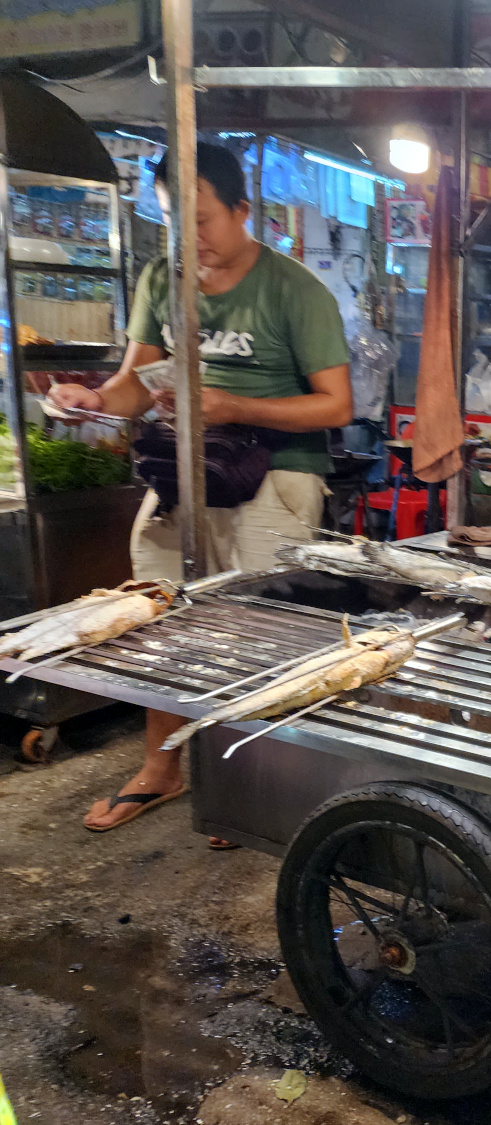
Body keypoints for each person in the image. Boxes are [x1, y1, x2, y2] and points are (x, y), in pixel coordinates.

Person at [48, 143, 353, 838]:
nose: (192, 241)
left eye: (205, 222)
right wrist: (91, 398)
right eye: (174, 223)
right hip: (187, 469)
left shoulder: (292, 289)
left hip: (276, 470)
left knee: (260, 628)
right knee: (159, 614)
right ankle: (163, 767)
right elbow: (135, 383)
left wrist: (236, 407)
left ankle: (251, 780)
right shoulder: (163, 278)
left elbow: (336, 406)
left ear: (244, 212)